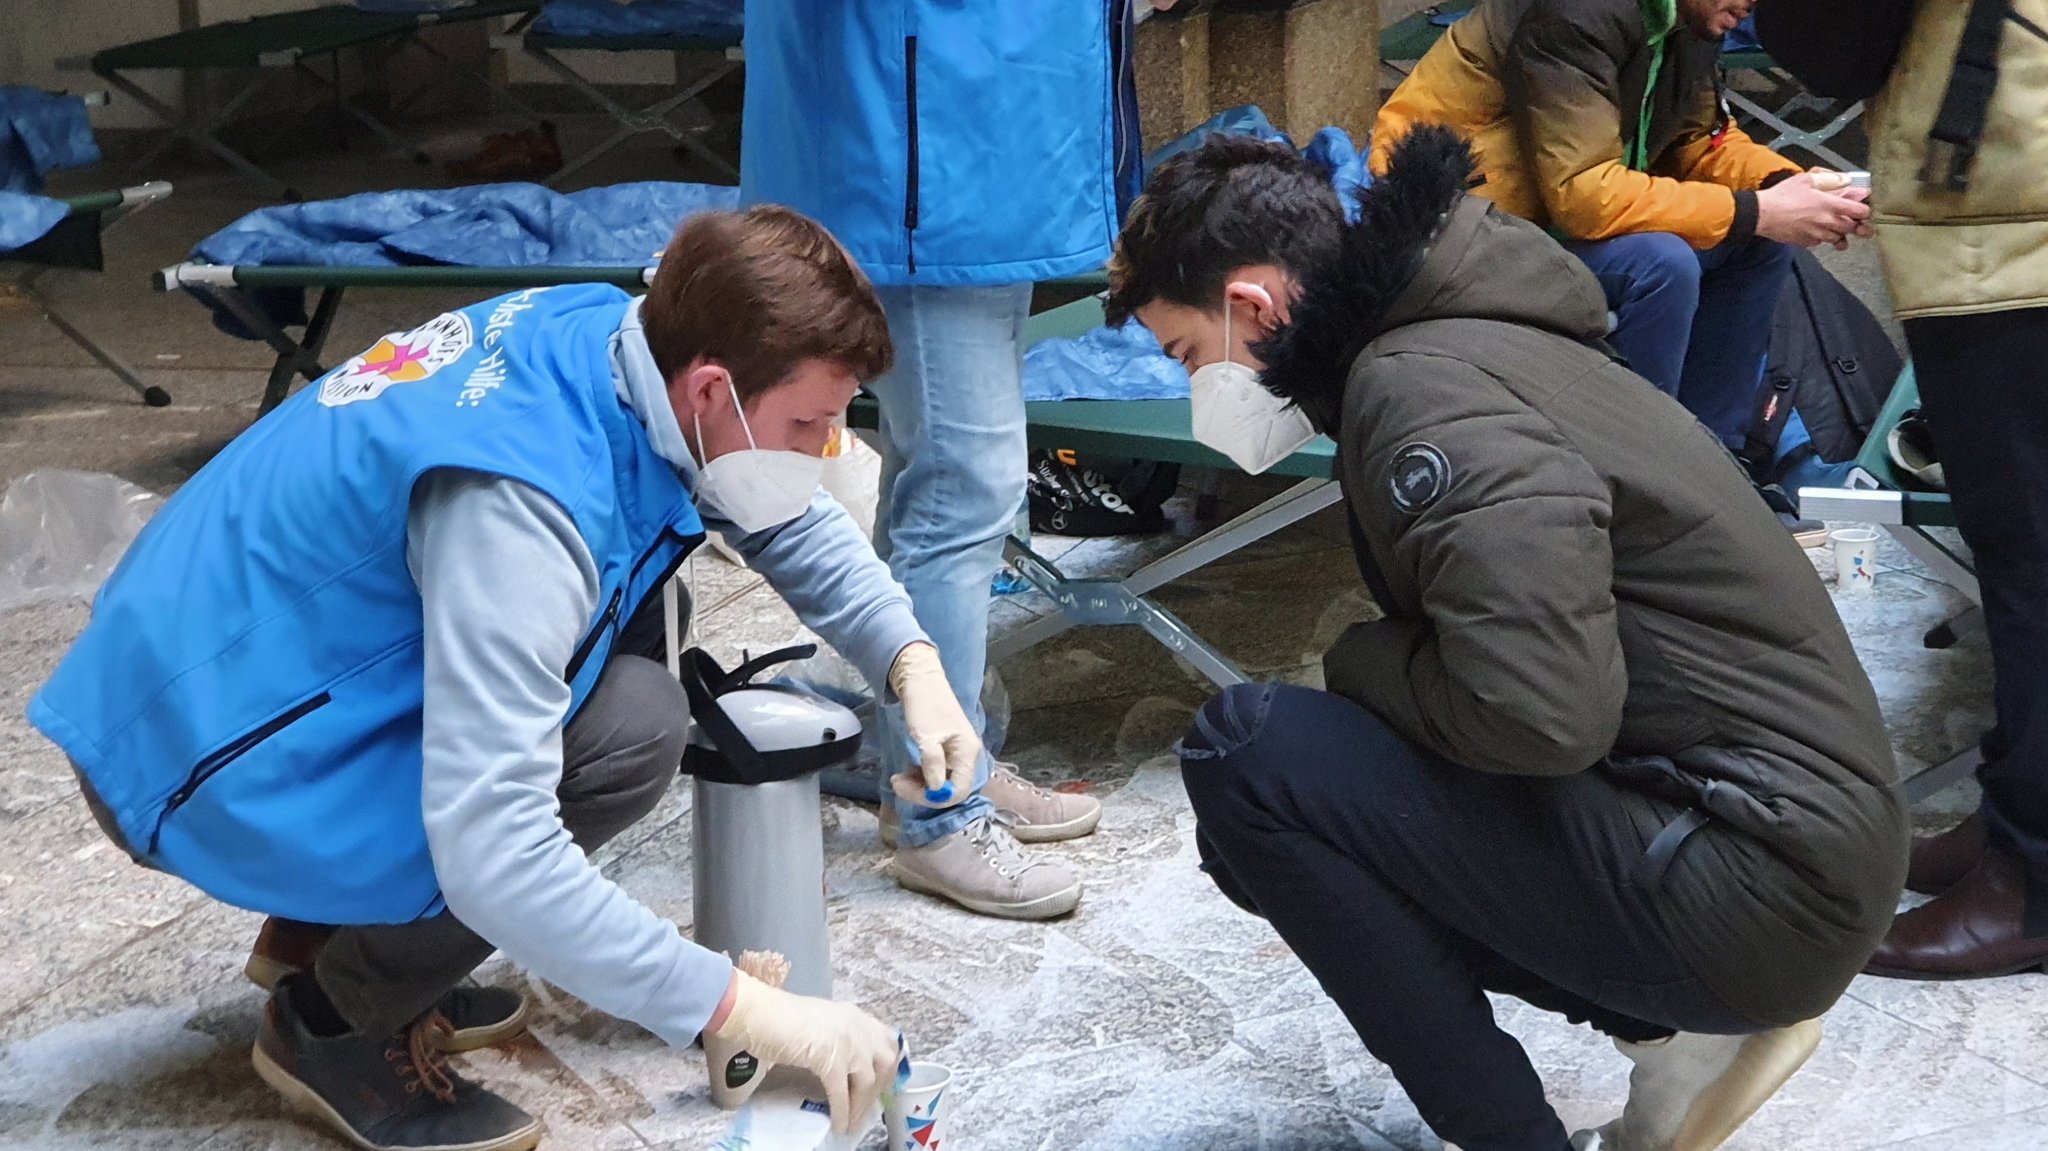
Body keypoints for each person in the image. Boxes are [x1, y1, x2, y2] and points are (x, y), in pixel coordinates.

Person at [27, 206, 975, 1151]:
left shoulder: (617, 339)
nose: (826, 450)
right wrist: (732, 1008)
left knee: (636, 604)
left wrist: (910, 659)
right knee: (633, 729)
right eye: (811, 422)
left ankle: (316, 934)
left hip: (230, 667)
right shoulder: (522, 510)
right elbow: (499, 847)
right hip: (197, 752)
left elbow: (778, 508)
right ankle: (336, 1019)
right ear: (713, 388)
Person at [1105, 126, 1909, 1151]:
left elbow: (1536, 714)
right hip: (1784, 848)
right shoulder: (1468, 331)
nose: (1194, 389)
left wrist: (1357, 661)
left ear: (1255, 306)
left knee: (1251, 756)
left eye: (1186, 354)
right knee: (1264, 818)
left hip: (1757, 877)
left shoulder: (1424, 394)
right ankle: (1668, 1032)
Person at [737, 0, 1139, 919]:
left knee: (939, 473)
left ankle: (936, 755)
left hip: (987, 125)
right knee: (963, 483)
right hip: (924, 130)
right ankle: (938, 807)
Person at [1758, 0, 2048, 979]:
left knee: (2031, 564)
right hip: (2009, 190)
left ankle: (2035, 879)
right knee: (2019, 557)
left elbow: (1828, 37)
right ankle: (2010, 817)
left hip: (2010, 211)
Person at [1371, 0, 1873, 475]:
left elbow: (1696, 142)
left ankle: (1716, 466)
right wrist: (1756, 210)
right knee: (1661, 264)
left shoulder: (1688, 19)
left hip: (1547, 227)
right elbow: (1585, 198)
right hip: (1455, 240)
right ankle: (1640, 477)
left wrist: (1787, 186)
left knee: (1759, 241)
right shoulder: (1575, 13)